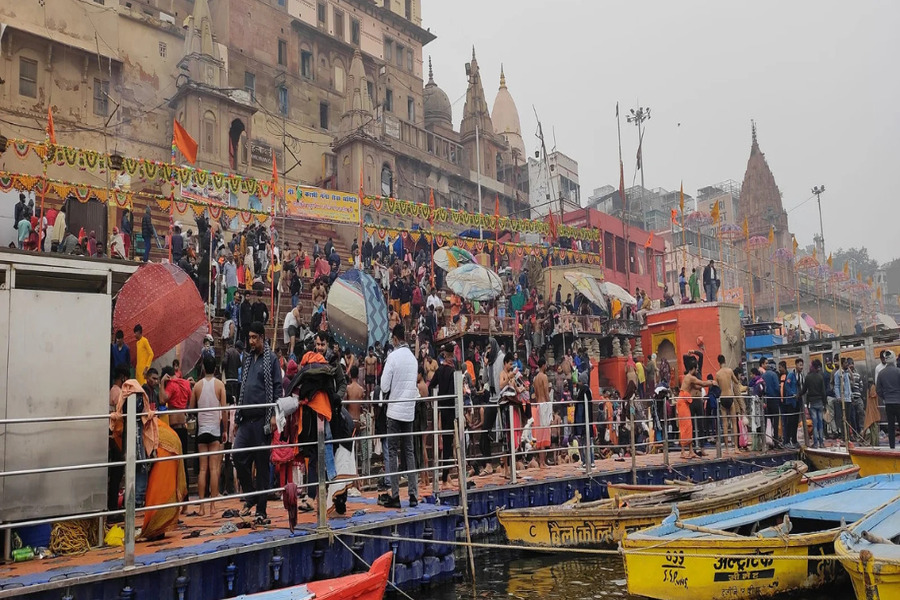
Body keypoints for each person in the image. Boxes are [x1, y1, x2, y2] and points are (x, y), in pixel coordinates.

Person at [233, 321, 282, 523]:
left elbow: (278, 389)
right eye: (250, 338)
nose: (251, 341)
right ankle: (251, 495)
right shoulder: (246, 359)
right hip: (245, 419)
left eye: (255, 338)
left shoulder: (272, 359)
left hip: (262, 419)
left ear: (262, 337)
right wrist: (237, 415)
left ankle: (261, 510)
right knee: (237, 456)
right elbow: (242, 386)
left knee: (262, 467)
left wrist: (273, 416)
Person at [378, 324, 420, 508]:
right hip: (409, 411)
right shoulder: (413, 359)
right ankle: (413, 495)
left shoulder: (392, 357)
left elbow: (384, 386)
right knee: (409, 452)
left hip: (394, 411)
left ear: (395, 339)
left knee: (392, 452)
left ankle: (395, 496)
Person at [191, 353, 227, 516]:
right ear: (216, 368)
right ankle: (212, 506)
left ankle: (201, 507)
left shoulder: (197, 386)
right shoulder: (220, 385)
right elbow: (224, 411)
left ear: (204, 367)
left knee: (202, 470)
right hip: (214, 430)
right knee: (214, 469)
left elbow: (191, 409)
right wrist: (225, 429)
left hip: (202, 430)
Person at [678, 352, 711, 459]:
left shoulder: (695, 374)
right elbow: (701, 384)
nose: (697, 369)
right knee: (687, 426)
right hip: (688, 401)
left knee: (696, 425)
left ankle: (697, 449)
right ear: (693, 367)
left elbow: (701, 356)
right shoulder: (690, 376)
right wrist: (712, 382)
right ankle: (686, 450)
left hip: (695, 400)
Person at [715, 355, 742, 451]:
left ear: (718, 362)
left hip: (722, 397)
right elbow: (736, 381)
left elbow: (717, 385)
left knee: (725, 423)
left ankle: (726, 448)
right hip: (730, 396)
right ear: (725, 361)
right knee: (734, 423)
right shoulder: (730, 371)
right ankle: (735, 447)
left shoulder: (717, 374)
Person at [876, 350, 900, 449]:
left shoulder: (881, 373)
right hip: (899, 402)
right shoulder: (898, 371)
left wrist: (885, 397)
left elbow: (878, 390)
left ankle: (892, 446)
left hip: (888, 403)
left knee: (890, 426)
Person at [801, 359, 827, 448]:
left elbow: (804, 390)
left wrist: (797, 395)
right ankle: (822, 443)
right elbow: (823, 392)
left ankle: (815, 443)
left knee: (814, 423)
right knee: (820, 423)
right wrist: (825, 404)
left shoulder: (808, 377)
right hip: (820, 402)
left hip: (812, 402)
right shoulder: (820, 377)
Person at [532, 358, 552, 467]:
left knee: (540, 434)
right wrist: (550, 405)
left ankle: (541, 461)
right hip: (544, 404)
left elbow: (535, 393)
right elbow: (546, 392)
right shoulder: (544, 377)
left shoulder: (535, 379)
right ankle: (543, 462)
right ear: (543, 365)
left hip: (538, 405)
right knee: (544, 434)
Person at [782, 358, 804, 448]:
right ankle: (787, 441)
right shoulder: (791, 375)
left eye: (802, 365)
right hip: (791, 402)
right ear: (796, 365)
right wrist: (792, 394)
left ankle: (794, 440)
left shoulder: (801, 375)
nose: (801, 367)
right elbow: (787, 386)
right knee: (789, 422)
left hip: (798, 401)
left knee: (795, 422)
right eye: (800, 365)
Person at [833, 357, 852, 441]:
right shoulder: (838, 374)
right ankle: (844, 436)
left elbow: (850, 384)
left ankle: (848, 435)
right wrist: (838, 397)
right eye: (845, 363)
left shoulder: (847, 373)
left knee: (848, 418)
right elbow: (836, 386)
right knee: (843, 418)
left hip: (848, 398)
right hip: (843, 399)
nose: (847, 364)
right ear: (842, 364)